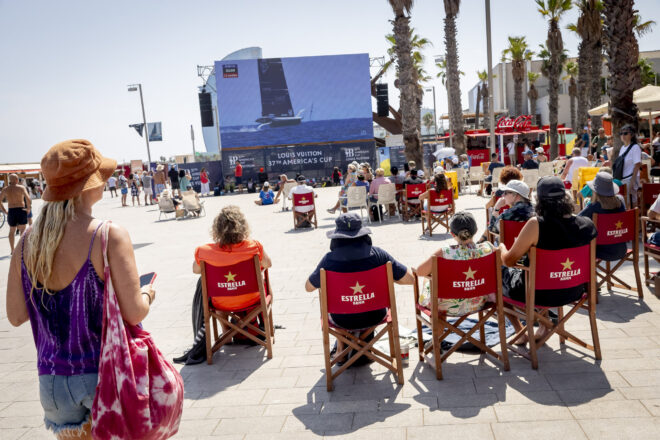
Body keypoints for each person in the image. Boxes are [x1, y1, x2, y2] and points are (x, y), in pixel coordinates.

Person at [5, 139, 154, 438]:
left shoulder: (25, 244)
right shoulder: (108, 235)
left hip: (52, 383)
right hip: (103, 375)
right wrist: (148, 293)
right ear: (88, 185)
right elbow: (135, 312)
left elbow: (15, 316)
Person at [499, 176, 597, 341]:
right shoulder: (587, 224)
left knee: (498, 274)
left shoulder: (535, 225)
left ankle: (520, 331)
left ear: (539, 200)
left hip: (540, 294)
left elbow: (508, 261)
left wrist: (501, 247)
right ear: (566, 198)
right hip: (574, 290)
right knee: (538, 277)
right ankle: (544, 324)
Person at [305, 212, 413, 342]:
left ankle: (341, 348)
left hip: (342, 319)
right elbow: (410, 279)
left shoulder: (329, 260)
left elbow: (309, 287)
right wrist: (387, 278)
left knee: (325, 294)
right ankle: (354, 345)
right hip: (375, 316)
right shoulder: (379, 255)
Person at [183, 206, 271, 361]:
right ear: (243, 226)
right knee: (265, 284)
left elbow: (196, 270)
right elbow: (268, 264)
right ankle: (265, 326)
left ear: (217, 228)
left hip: (221, 302)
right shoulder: (254, 246)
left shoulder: (203, 251)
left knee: (217, 289)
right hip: (252, 299)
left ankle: (227, 334)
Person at [416, 212, 496, 315]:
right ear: (475, 231)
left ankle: (440, 329)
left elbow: (419, 271)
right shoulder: (488, 248)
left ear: (452, 234)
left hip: (445, 307)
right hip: (478, 303)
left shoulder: (444, 252)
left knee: (427, 278)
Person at [578, 172, 627, 261]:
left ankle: (591, 274)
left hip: (601, 251)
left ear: (595, 191)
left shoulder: (594, 207)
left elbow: (577, 221)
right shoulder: (620, 204)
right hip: (621, 249)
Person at [0, 174, 31, 253]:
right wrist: (28, 209)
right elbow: (28, 198)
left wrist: (4, 211)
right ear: (17, 180)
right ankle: (22, 249)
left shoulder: (5, 189)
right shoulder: (21, 188)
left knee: (12, 230)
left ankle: (12, 250)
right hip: (21, 209)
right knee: (22, 230)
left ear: (10, 180)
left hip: (11, 210)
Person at [615, 124, 642, 206]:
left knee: (631, 201)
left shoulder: (635, 147)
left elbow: (637, 165)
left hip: (630, 178)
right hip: (622, 179)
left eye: (625, 133)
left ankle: (634, 217)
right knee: (624, 202)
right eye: (621, 134)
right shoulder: (623, 148)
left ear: (632, 135)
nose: (623, 135)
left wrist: (632, 183)